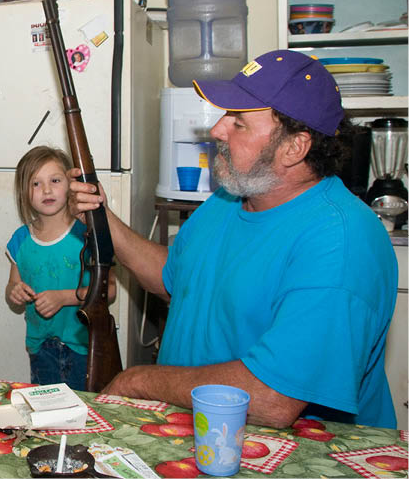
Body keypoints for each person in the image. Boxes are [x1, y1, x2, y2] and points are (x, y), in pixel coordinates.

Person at [70, 50, 397, 428]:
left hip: (301, 451)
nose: (217, 130)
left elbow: (272, 399)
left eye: (238, 122)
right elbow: (176, 277)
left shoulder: (341, 242)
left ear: (295, 147)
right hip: (201, 433)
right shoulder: (231, 198)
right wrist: (103, 219)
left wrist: (139, 381)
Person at [5, 146, 115, 391]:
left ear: (71, 185)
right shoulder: (20, 239)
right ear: (24, 192)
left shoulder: (88, 234)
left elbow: (110, 290)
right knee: (46, 409)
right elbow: (12, 285)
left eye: (55, 180)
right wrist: (15, 291)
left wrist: (64, 298)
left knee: (84, 410)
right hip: (40, 348)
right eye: (36, 184)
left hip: (84, 346)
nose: (46, 190)